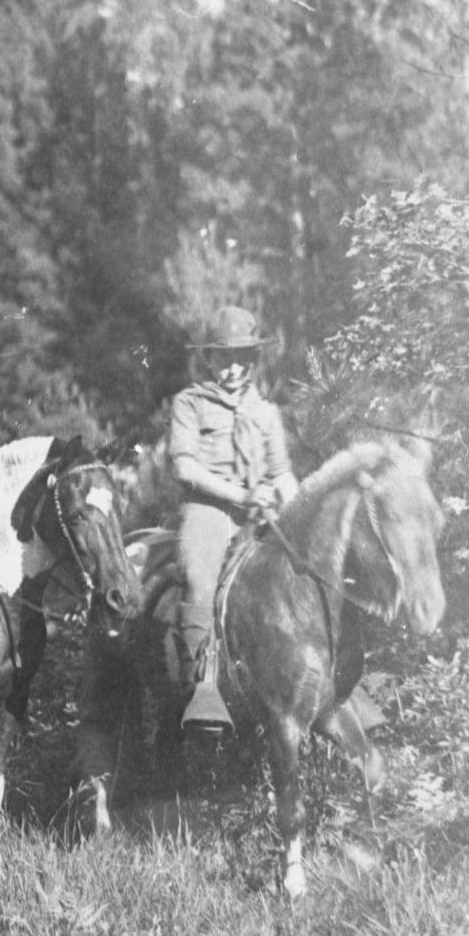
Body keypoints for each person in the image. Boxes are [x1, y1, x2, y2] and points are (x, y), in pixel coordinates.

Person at [168, 305, 299, 723]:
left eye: (243, 357)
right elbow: (184, 467)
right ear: (210, 359)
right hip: (208, 511)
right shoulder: (191, 402)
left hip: (259, 516)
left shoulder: (266, 412)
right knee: (198, 578)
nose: (234, 367)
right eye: (224, 358)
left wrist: (296, 516)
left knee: (302, 573)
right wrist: (242, 495)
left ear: (253, 360)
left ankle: (327, 676)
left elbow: (281, 474)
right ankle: (199, 683)